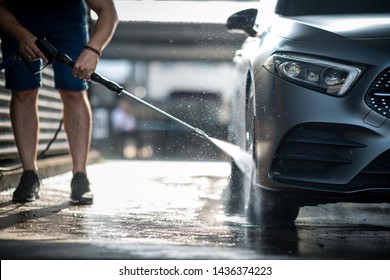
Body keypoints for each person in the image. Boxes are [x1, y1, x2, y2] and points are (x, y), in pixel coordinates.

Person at [0, 0, 119, 204]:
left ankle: (80, 176)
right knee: (23, 90)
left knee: (74, 91)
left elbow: (109, 11)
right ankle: (29, 174)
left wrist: (94, 49)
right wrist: (21, 34)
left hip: (68, 18)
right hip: (18, 16)